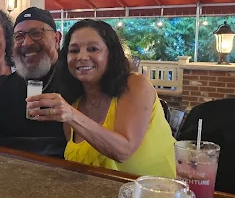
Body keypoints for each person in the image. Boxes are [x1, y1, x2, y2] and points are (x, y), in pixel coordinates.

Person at [26, 19, 176, 178]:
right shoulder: (74, 103)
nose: (82, 56)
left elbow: (124, 151)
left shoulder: (135, 84)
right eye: (74, 50)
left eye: (93, 49)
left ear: (111, 54)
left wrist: (71, 115)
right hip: (100, 192)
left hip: (153, 191)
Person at [0, 7, 66, 156]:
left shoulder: (75, 80)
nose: (27, 42)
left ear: (57, 39)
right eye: (19, 36)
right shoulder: (4, 86)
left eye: (37, 33)